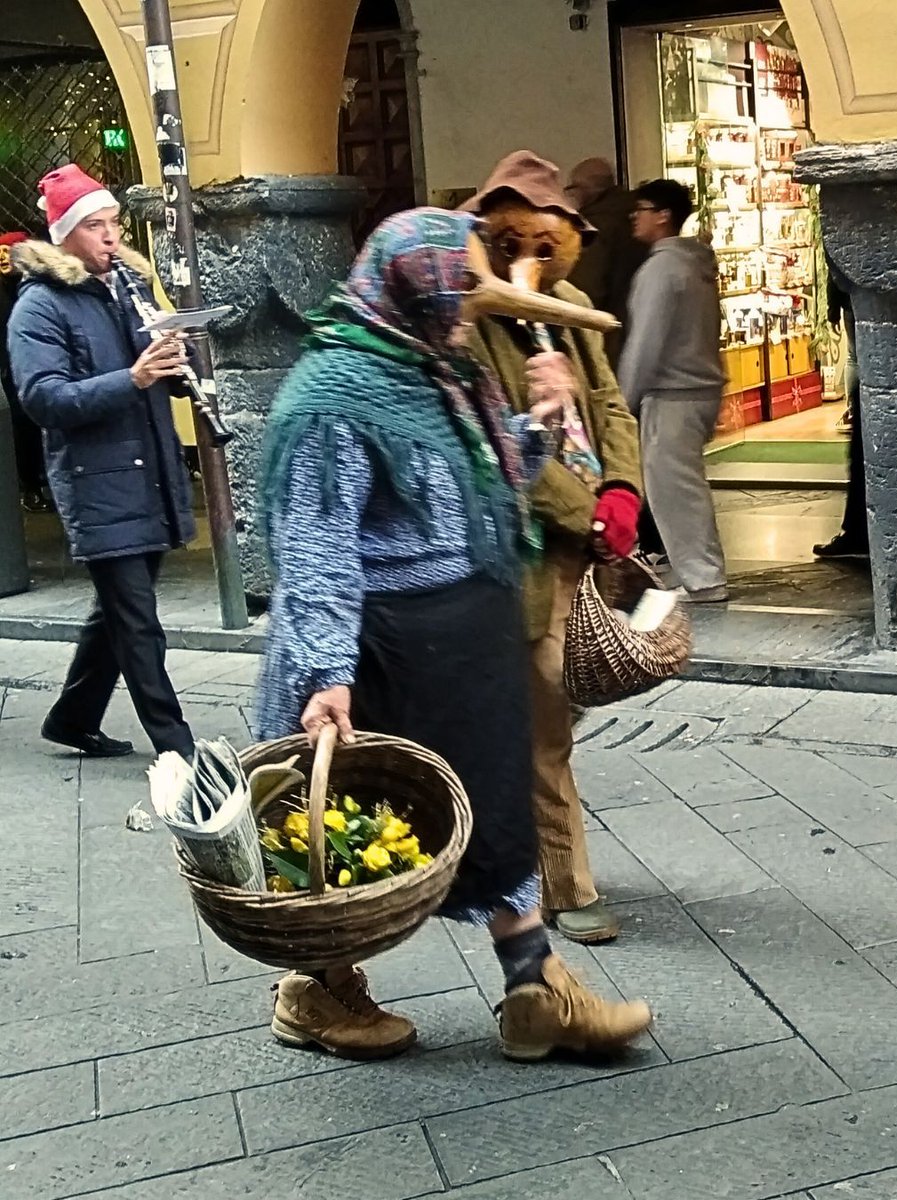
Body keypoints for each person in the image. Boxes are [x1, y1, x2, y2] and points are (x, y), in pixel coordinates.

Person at [254, 207, 652, 1062]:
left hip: (468, 639)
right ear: (416, 283)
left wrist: (544, 423)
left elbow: (484, 475)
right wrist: (327, 671)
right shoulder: (329, 398)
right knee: (359, 825)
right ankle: (316, 990)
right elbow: (316, 543)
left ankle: (536, 990)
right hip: (385, 650)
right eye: (466, 281)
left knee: (498, 810)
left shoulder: (443, 370)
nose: (481, 298)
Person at [464, 151, 643, 945]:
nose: (529, 259)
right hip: (529, 548)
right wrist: (588, 514)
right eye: (514, 243)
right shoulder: (471, 323)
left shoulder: (570, 303)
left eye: (545, 243)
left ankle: (500, 853)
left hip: (585, 540)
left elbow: (608, 402)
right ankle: (565, 884)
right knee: (544, 720)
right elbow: (501, 453)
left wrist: (624, 492)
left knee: (553, 706)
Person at [6, 164, 196, 759]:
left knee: (117, 613)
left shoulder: (126, 288)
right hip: (97, 482)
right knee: (139, 622)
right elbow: (42, 399)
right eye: (94, 225)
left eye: (114, 223)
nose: (111, 236)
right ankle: (178, 746)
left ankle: (72, 716)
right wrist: (134, 378)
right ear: (64, 234)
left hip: (152, 474)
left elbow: (155, 377)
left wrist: (175, 365)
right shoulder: (39, 307)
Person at [618, 179, 728, 603]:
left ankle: (703, 577)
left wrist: (624, 397)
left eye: (641, 209)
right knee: (679, 485)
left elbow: (646, 340)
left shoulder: (663, 268)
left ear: (663, 215)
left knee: (674, 489)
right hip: (697, 387)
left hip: (674, 391)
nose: (634, 217)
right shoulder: (695, 264)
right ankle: (699, 573)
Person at [564, 157, 647, 370]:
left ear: (585, 190)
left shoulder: (595, 228)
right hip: (644, 330)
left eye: (571, 188)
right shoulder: (638, 217)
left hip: (612, 337)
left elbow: (587, 291)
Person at [813, 266, 868, 559]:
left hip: (854, 301)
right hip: (859, 302)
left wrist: (834, 306)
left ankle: (857, 533)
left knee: (855, 358)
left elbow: (835, 265)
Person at [1, 231, 50, 512]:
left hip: (33, 365)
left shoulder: (35, 289)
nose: (4, 260)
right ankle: (29, 486)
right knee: (21, 429)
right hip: (9, 373)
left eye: (9, 253)